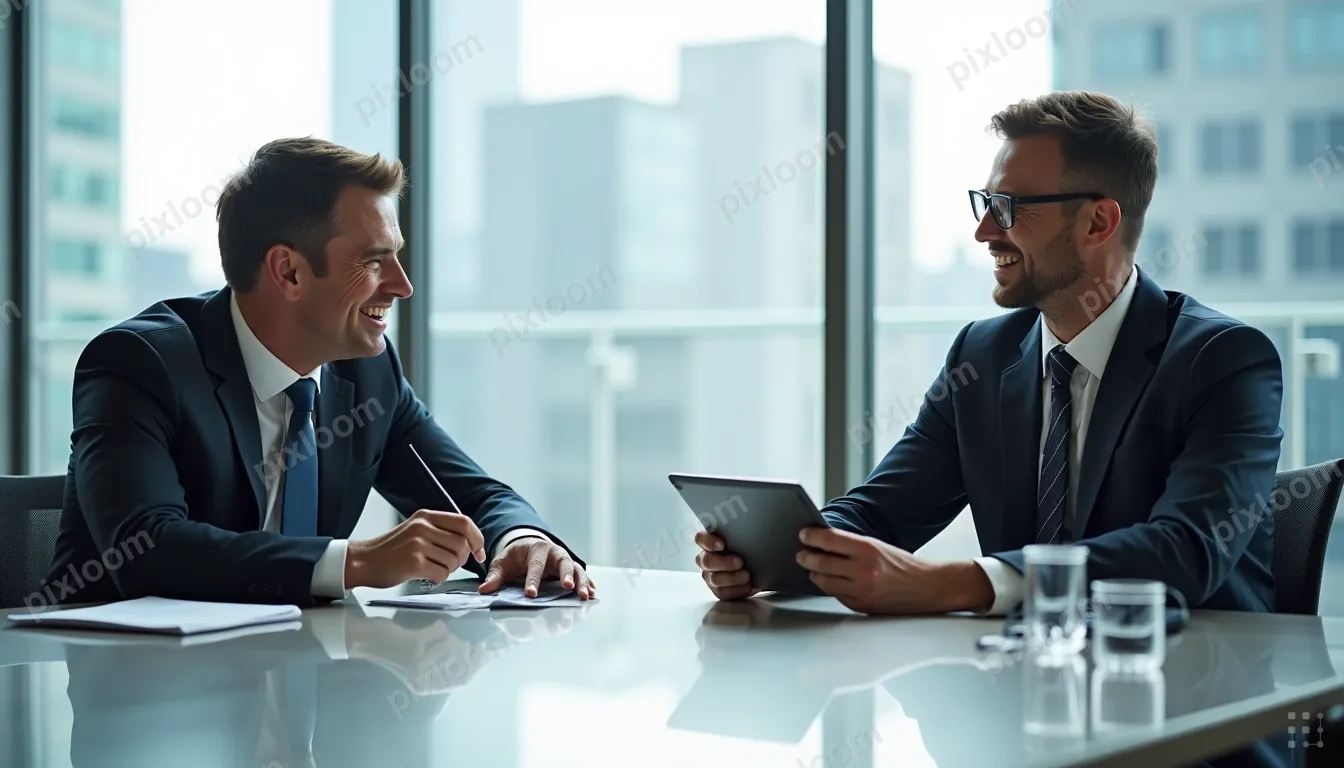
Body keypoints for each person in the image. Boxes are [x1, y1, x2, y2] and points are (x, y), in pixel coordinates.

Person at [694, 90, 1283, 618]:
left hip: (1198, 704)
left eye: (1009, 208)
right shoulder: (982, 355)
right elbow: (882, 513)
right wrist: (780, 556)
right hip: (1025, 703)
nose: (983, 232)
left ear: (1099, 221)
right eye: (984, 202)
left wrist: (955, 584)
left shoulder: (1223, 360)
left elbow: (1184, 552)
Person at [47, 137, 594, 606]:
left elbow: (472, 495)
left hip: (298, 686)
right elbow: (145, 548)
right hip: (134, 696)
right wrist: (353, 563)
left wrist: (517, 538)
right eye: (374, 260)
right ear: (288, 271)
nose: (402, 285)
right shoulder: (139, 364)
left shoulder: (367, 378)